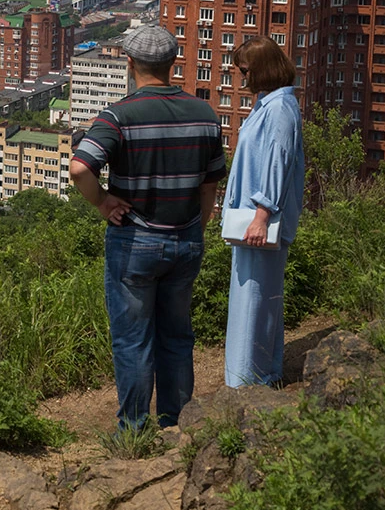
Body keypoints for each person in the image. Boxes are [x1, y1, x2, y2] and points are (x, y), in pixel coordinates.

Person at [69, 25, 225, 429]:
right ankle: (176, 423)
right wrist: (197, 226)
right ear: (173, 63)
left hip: (136, 240)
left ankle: (134, 431)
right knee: (177, 337)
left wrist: (103, 202)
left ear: (130, 63)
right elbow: (211, 183)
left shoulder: (119, 115)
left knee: (133, 341)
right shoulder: (205, 114)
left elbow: (80, 167)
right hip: (186, 238)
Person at [223, 37, 304, 388]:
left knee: (253, 301)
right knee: (258, 299)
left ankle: (246, 382)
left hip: (260, 222)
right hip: (255, 218)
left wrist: (261, 214)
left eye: (245, 70)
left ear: (262, 69)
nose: (242, 77)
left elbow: (277, 162)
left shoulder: (279, 110)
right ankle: (262, 374)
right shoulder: (269, 104)